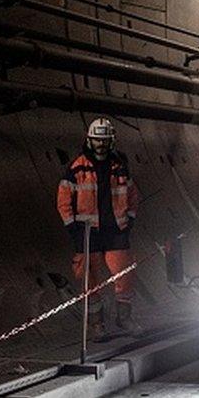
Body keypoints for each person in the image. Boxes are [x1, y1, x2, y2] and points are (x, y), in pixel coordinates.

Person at [57, 117, 142, 340]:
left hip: (115, 231)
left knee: (125, 276)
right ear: (90, 140)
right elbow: (63, 199)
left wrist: (129, 219)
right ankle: (97, 325)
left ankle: (124, 319)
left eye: (104, 140)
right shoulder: (77, 168)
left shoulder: (119, 168)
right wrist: (72, 227)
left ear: (111, 141)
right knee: (90, 281)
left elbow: (133, 195)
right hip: (88, 233)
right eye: (97, 140)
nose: (101, 144)